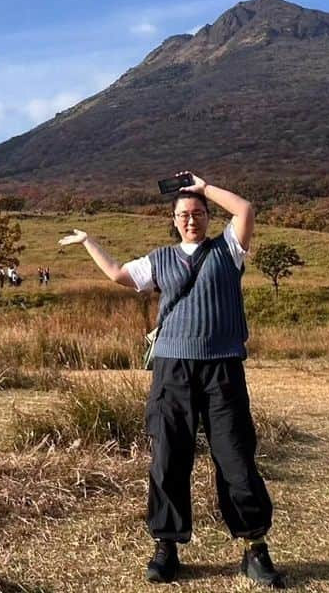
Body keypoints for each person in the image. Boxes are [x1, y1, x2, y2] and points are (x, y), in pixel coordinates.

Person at [58, 173, 284, 588]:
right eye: (184, 215)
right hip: (172, 369)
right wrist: (89, 241)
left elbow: (246, 209)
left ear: (207, 217)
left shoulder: (228, 250)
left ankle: (255, 549)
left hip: (223, 367)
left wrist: (202, 187)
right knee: (168, 458)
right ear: (174, 220)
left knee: (235, 457)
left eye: (197, 214)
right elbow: (117, 275)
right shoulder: (160, 259)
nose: (191, 220)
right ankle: (167, 546)